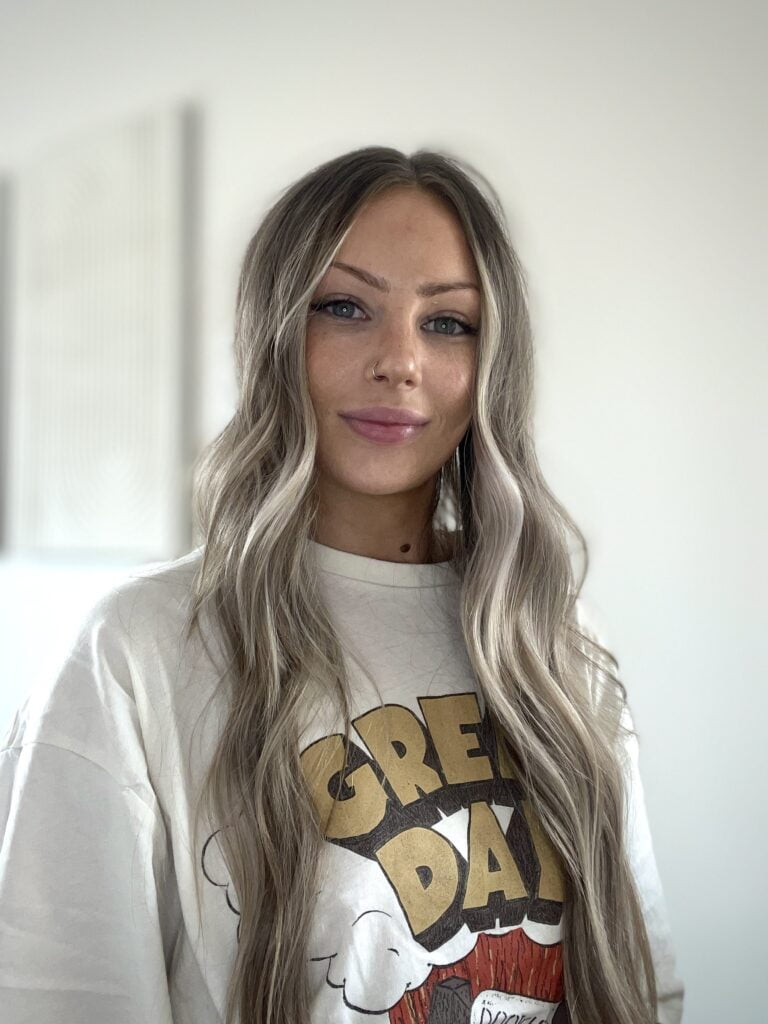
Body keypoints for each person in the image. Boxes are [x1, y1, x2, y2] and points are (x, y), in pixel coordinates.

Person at [0, 146, 684, 1024]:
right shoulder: (138, 649)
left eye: (448, 323)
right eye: (345, 307)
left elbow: (645, 983)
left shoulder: (552, 641)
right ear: (278, 332)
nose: (399, 361)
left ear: (491, 364)